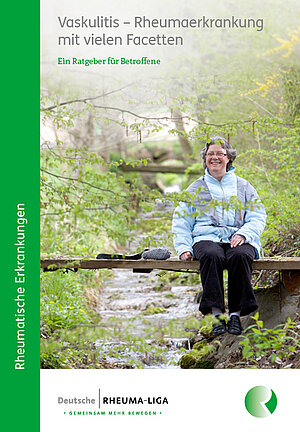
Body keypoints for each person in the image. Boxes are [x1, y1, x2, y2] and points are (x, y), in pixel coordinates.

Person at [172, 136, 267, 336]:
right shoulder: (195, 188)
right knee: (211, 254)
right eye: (210, 154)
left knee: (241, 256)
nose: (215, 158)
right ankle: (217, 316)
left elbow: (258, 215)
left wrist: (244, 233)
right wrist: (183, 248)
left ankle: (234, 315)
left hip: (238, 236)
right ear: (205, 158)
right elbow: (181, 221)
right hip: (206, 237)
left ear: (229, 158)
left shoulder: (244, 187)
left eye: (220, 154)